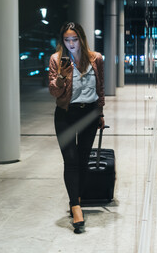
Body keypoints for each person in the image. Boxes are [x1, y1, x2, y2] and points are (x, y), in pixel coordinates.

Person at [49, 22, 105, 234]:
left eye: (74, 39)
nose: (71, 44)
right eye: (67, 40)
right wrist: (62, 76)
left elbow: (100, 88)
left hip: (89, 114)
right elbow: (54, 91)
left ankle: (77, 198)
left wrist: (100, 113)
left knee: (83, 160)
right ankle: (76, 206)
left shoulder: (95, 59)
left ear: (81, 39)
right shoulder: (56, 59)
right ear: (62, 40)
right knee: (70, 160)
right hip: (65, 114)